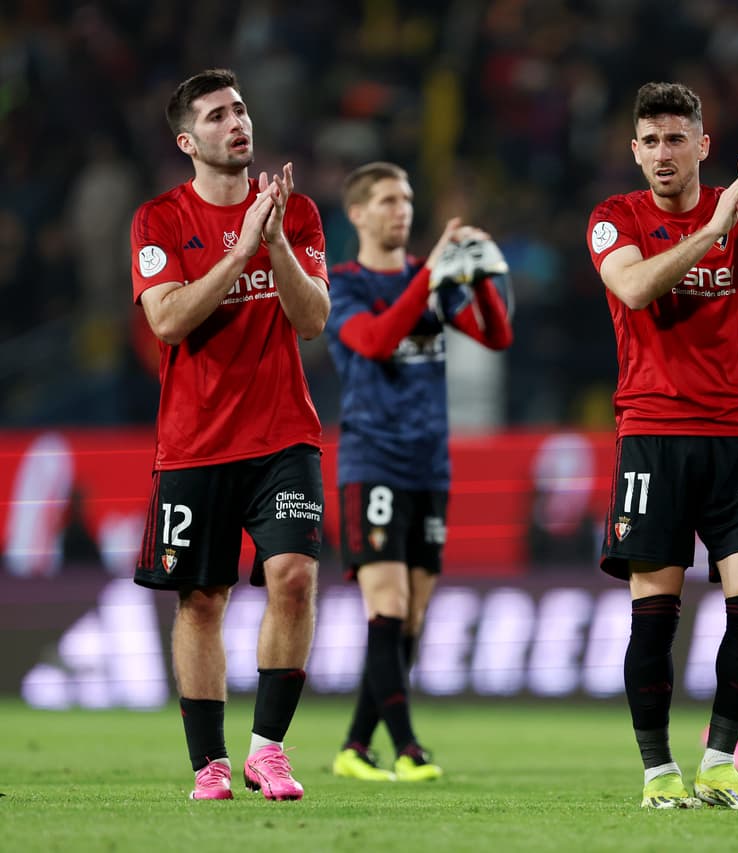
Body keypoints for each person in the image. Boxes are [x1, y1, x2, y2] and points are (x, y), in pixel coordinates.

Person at [587, 81, 738, 810]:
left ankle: (718, 762)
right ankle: (657, 774)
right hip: (652, 435)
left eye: (676, 138)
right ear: (634, 150)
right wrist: (712, 229)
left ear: (703, 145)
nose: (662, 153)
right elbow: (637, 290)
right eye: (649, 140)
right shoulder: (614, 220)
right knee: (657, 611)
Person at [131, 68, 330, 801]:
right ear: (188, 140)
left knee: (295, 578)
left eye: (240, 109)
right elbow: (168, 320)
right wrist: (240, 251)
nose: (235, 122)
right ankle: (209, 763)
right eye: (216, 115)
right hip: (194, 442)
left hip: (284, 435)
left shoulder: (297, 212)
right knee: (203, 599)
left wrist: (272, 242)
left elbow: (312, 320)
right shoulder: (158, 220)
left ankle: (268, 751)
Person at [325, 162, 513, 783]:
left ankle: (355, 746)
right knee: (387, 603)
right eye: (385, 200)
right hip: (371, 460)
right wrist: (433, 272)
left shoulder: (426, 280)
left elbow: (497, 335)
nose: (399, 210)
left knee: (410, 618)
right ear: (357, 213)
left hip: (429, 464)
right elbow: (377, 340)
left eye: (405, 198)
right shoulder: (343, 285)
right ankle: (406, 747)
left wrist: (481, 277)